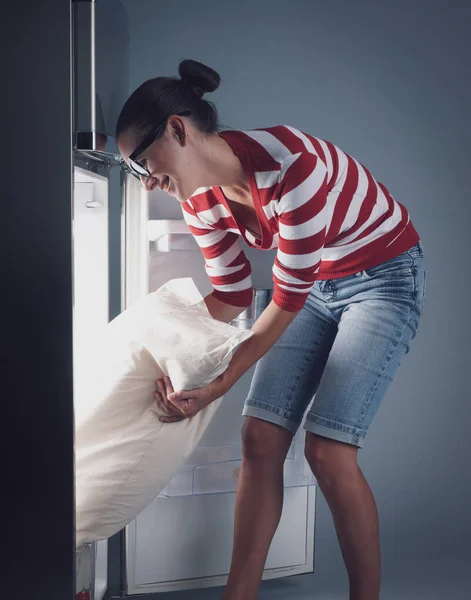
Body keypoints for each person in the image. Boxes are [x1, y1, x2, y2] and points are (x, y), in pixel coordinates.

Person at [116, 59, 427, 600]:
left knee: (328, 453)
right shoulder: (199, 200)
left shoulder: (293, 168)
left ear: (177, 129)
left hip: (382, 278)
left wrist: (216, 386)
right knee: (259, 438)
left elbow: (284, 300)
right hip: (312, 285)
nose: (147, 185)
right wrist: (158, 350)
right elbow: (232, 295)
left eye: (143, 165)